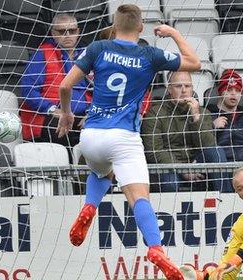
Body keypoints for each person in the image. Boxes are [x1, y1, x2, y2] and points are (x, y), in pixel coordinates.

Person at [55, 4, 201, 280]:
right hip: (124, 138)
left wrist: (66, 113)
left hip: (91, 136)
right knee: (139, 197)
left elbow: (64, 86)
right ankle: (156, 248)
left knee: (101, 171)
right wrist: (172, 33)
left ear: (114, 24)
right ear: (141, 26)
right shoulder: (150, 54)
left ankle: (89, 206)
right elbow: (194, 63)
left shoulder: (97, 48)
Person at [142, 71, 233, 192]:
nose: (184, 90)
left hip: (196, 163)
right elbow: (153, 151)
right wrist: (183, 170)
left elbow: (208, 145)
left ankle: (225, 202)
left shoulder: (202, 112)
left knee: (216, 151)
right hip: (169, 167)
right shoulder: (154, 114)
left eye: (187, 86)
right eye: (178, 86)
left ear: (192, 89)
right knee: (170, 181)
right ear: (169, 89)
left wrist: (195, 117)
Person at [20, 13, 91, 148]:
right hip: (52, 116)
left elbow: (101, 90)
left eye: (72, 31)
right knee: (60, 129)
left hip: (84, 115)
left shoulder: (88, 54)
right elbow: (28, 91)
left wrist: (92, 113)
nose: (68, 35)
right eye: (62, 31)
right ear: (53, 33)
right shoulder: (42, 54)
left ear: (78, 32)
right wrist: (53, 110)